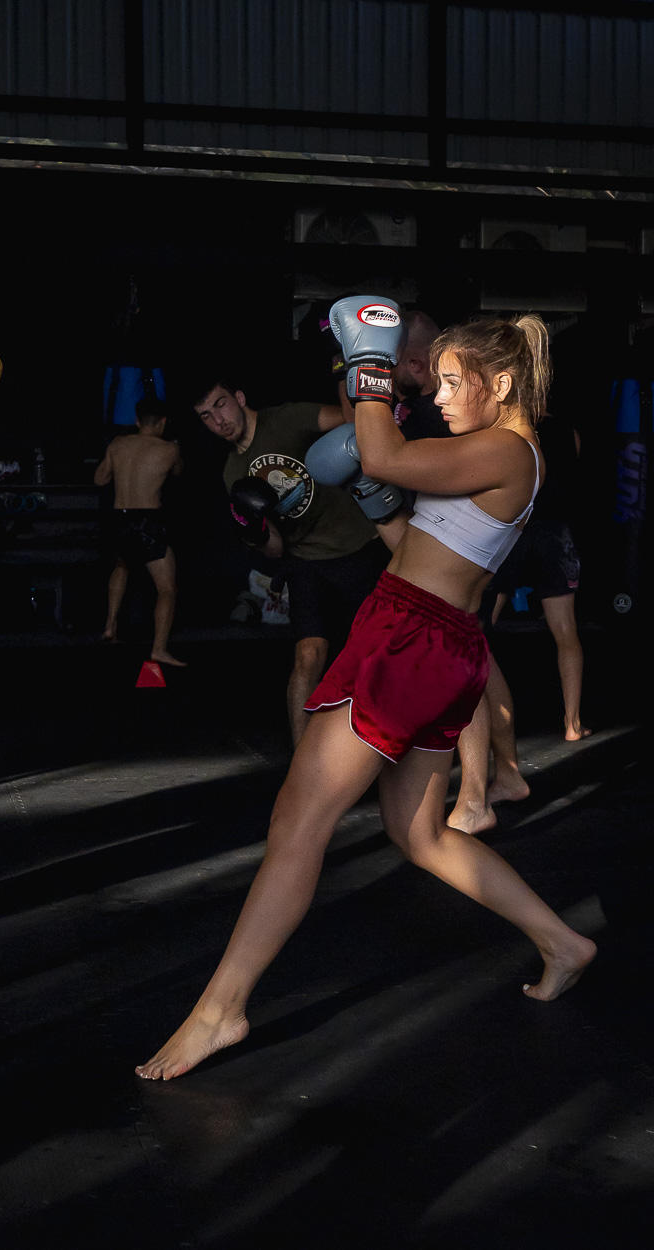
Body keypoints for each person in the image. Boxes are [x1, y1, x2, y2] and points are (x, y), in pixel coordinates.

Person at [138, 299, 596, 1082]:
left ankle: (220, 1011)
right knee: (419, 836)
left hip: (410, 641)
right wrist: (377, 500)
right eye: (435, 381)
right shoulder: (497, 454)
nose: (439, 397)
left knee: (299, 818)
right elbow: (416, 538)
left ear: (501, 382)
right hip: (430, 637)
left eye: (452, 382)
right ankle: (563, 941)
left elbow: (381, 454)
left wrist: (370, 364)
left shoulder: (507, 450)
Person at [194, 377, 389, 744]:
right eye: (206, 415)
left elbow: (354, 423)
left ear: (239, 397)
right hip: (306, 561)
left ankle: (379, 747)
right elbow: (275, 549)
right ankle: (302, 759)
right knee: (308, 656)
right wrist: (255, 531)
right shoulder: (233, 473)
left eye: (220, 405)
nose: (218, 420)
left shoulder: (286, 419)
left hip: (360, 547)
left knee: (374, 657)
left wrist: (343, 376)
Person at [448, 413, 589, 834]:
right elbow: (570, 477)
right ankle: (572, 724)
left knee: (476, 636)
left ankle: (484, 757)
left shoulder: (507, 432)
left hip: (517, 530)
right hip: (554, 532)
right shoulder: (568, 431)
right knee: (565, 633)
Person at [94, 397, 186, 667]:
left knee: (122, 566)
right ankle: (159, 649)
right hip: (148, 521)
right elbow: (178, 473)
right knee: (167, 588)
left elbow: (99, 479)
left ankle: (110, 627)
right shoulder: (169, 448)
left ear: (136, 421)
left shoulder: (117, 444)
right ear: (163, 422)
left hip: (119, 519)